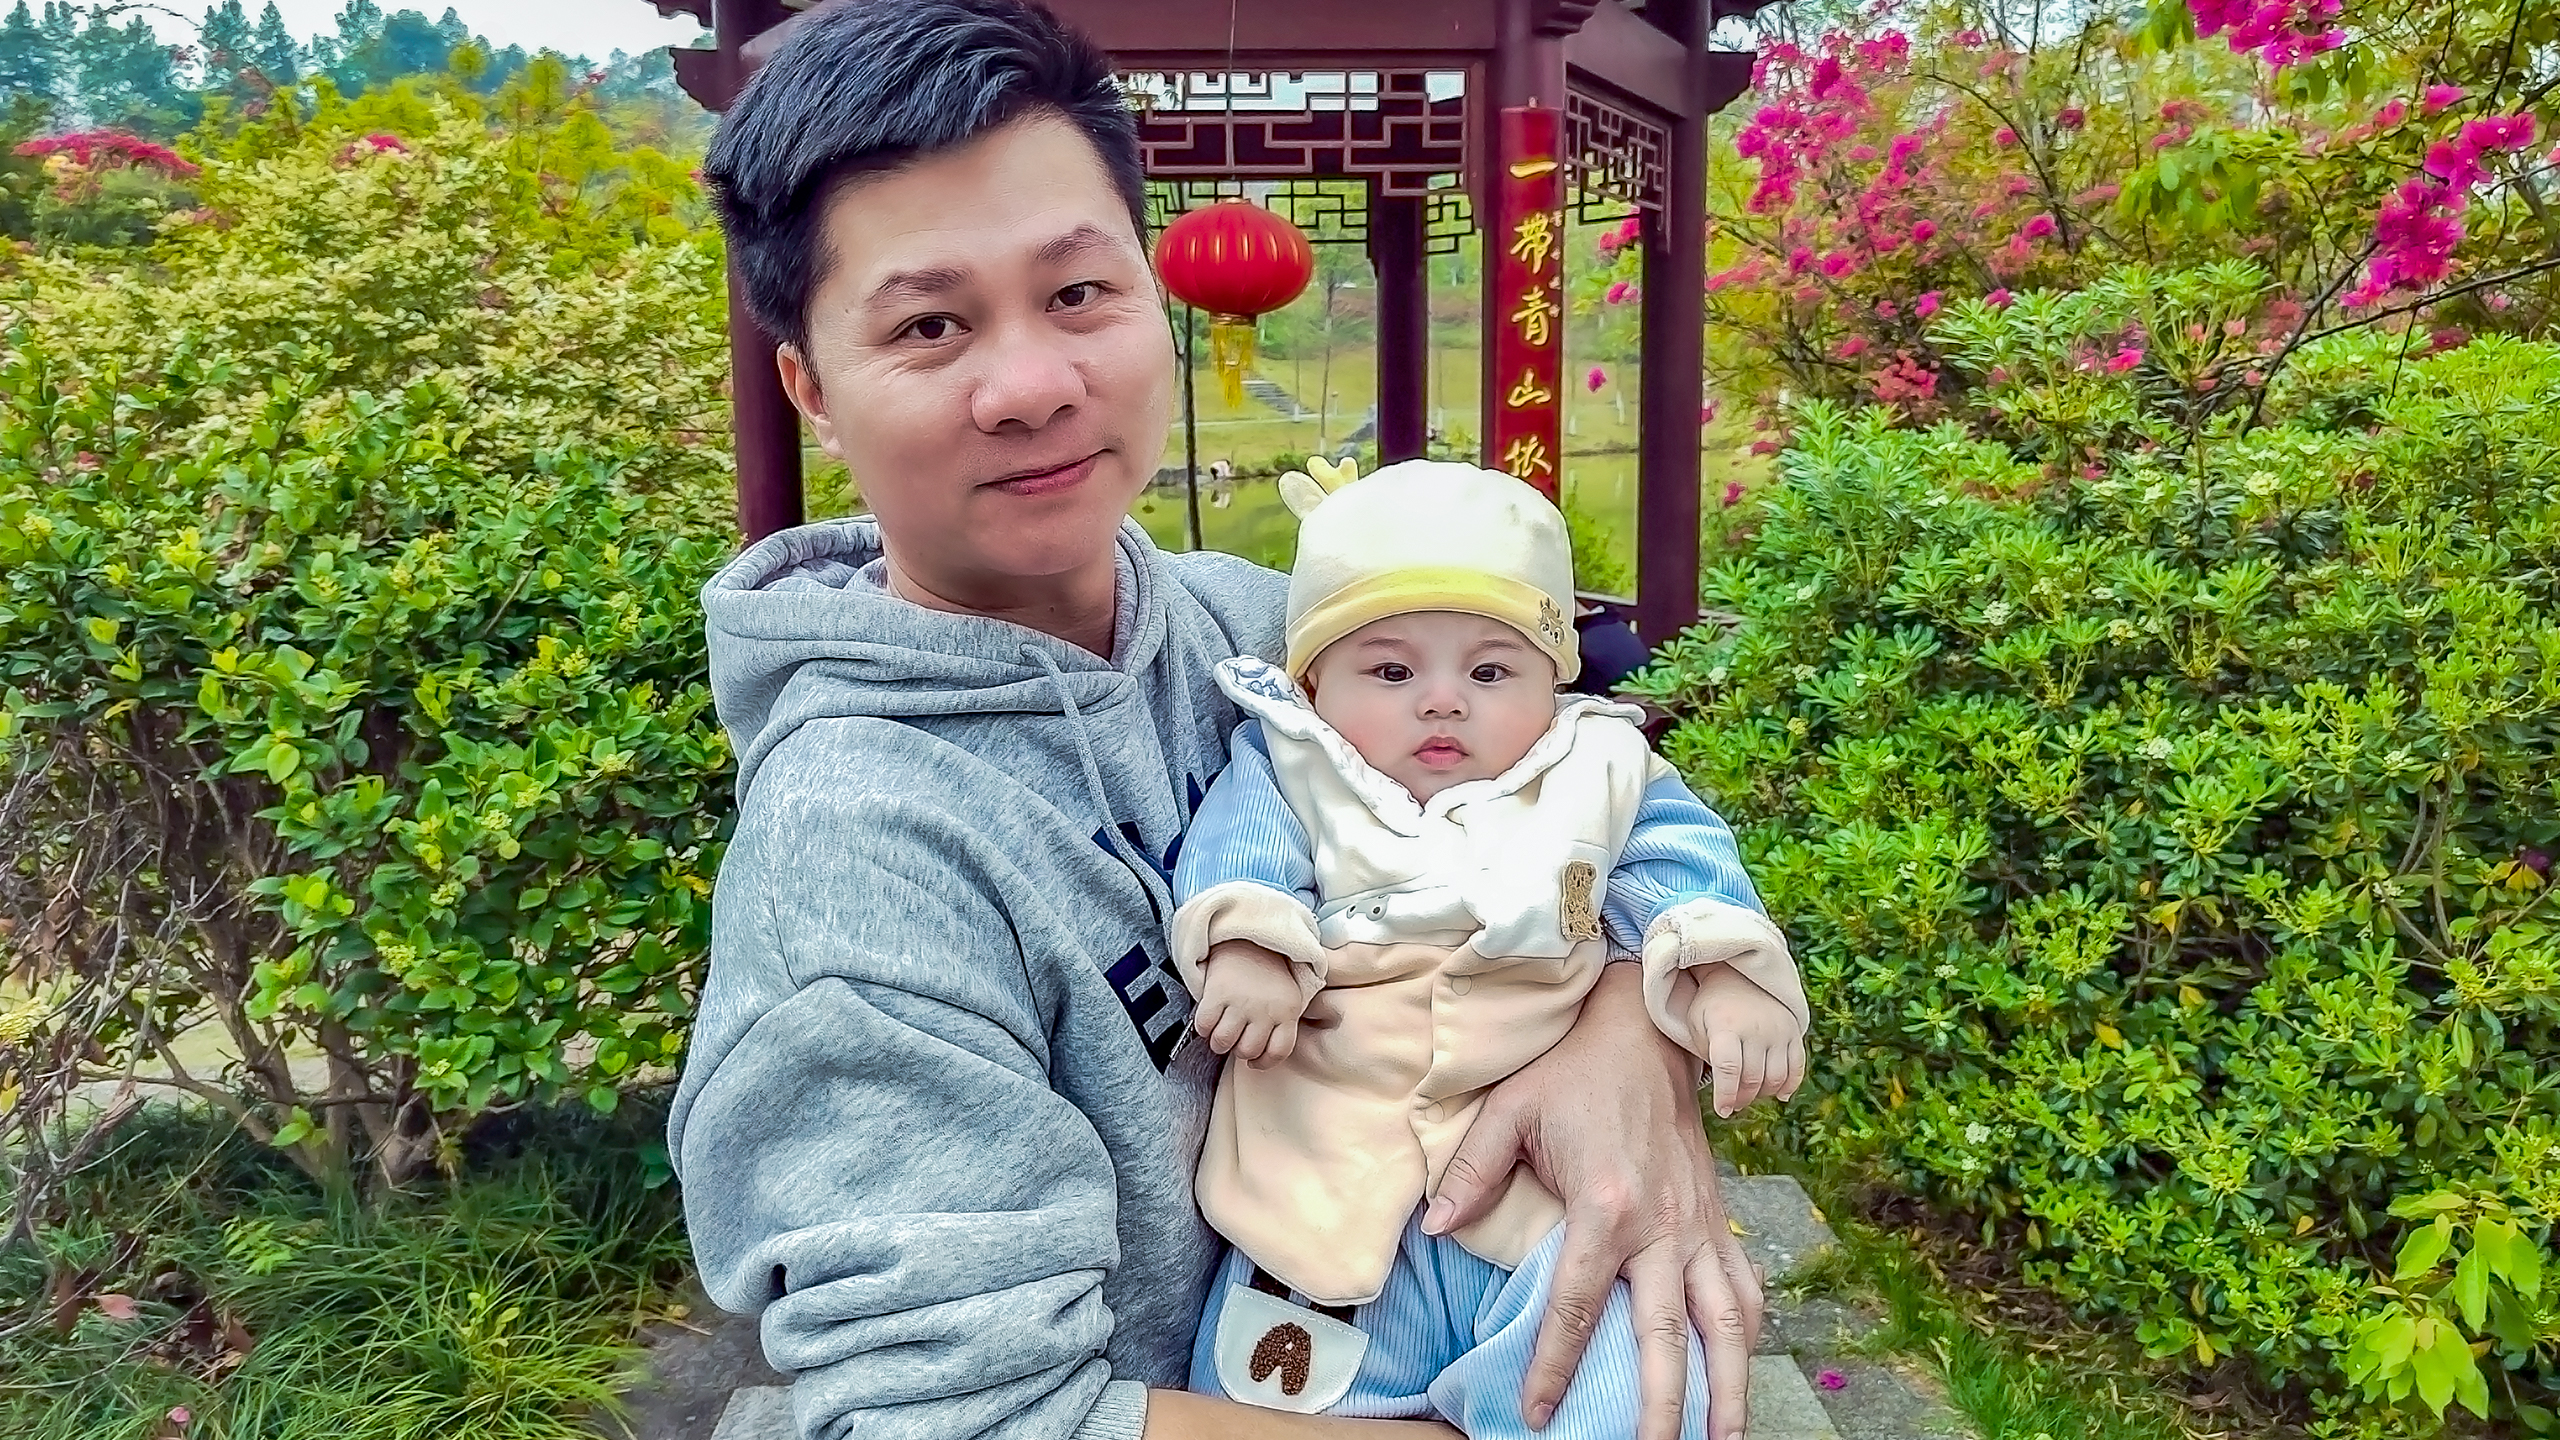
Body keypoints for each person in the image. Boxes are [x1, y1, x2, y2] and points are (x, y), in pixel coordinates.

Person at [668, 3, 1773, 1438]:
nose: (1033, 386)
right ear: (811, 388)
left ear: (1153, 291)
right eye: (931, 325)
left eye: (1078, 293)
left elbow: (1585, 806)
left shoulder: (1265, 634)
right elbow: (961, 1419)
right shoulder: (857, 857)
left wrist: (1628, 1039)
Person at [1168, 457, 1807, 1437]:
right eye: (1390, 671)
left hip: (1547, 1199)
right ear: (1312, 679)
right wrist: (1251, 944)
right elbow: (1241, 853)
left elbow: (1681, 862)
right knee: (1276, 1392)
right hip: (1322, 1194)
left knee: (1628, 1390)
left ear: (1554, 679)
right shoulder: (1292, 758)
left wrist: (1722, 971)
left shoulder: (1595, 765)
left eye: (1490, 671)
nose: (1442, 701)